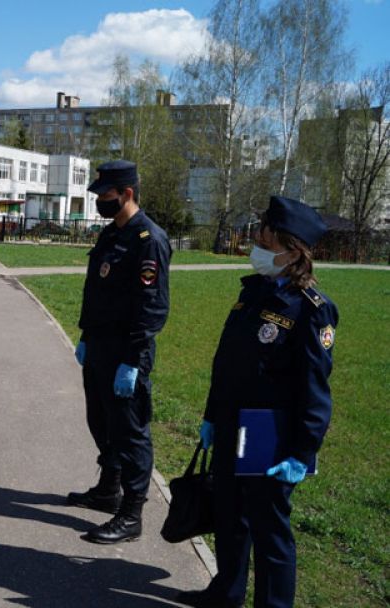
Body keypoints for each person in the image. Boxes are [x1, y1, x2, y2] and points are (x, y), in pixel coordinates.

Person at [176, 196, 338, 608]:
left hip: (267, 432)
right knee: (230, 516)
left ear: (290, 249)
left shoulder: (311, 311)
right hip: (233, 422)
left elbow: (315, 390)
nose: (257, 247)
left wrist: (303, 452)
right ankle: (225, 594)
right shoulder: (253, 294)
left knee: (269, 529)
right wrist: (213, 416)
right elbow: (227, 363)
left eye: (265, 240)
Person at [67, 160, 172, 544]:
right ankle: (108, 490)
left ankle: (131, 514)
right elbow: (95, 291)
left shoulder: (149, 240)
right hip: (98, 346)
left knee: (130, 433)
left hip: (126, 353)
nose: (100, 202)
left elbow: (153, 308)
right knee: (101, 422)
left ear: (127, 194)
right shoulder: (111, 235)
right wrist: (85, 335)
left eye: (106, 196)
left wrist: (133, 359)